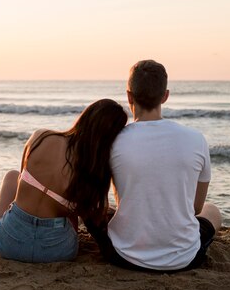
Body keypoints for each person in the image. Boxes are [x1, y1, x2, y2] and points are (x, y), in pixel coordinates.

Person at [86, 60, 222, 272]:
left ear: (129, 96)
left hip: (124, 256)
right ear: (165, 96)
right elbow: (195, 209)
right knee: (211, 210)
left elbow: (97, 198)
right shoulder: (197, 139)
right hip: (183, 258)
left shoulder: (113, 140)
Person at [0, 99, 128, 263]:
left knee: (12, 176)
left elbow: (23, 179)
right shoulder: (91, 172)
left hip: (8, 245)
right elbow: (89, 216)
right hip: (56, 252)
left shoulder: (41, 136)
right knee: (69, 209)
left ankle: (1, 224)